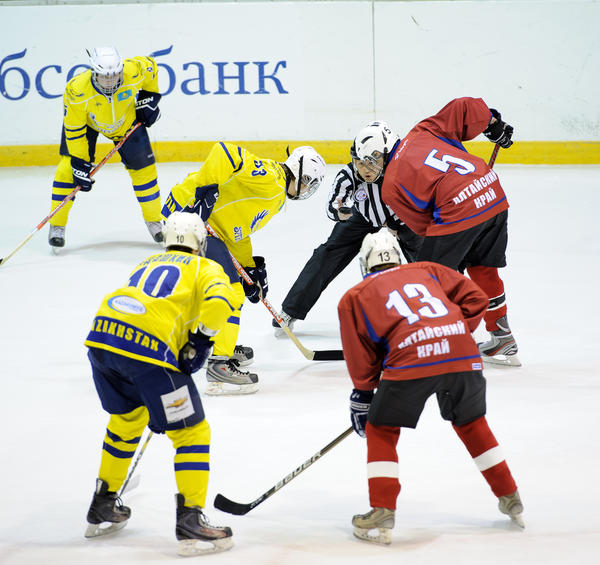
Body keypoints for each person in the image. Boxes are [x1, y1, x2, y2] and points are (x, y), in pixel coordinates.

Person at [337, 230, 523, 545]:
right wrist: (453, 331)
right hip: (462, 355)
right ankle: (510, 496)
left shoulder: (354, 297)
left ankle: (382, 509)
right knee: (472, 423)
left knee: (381, 429)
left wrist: (363, 394)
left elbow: (360, 355)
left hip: (409, 361)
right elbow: (477, 298)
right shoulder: (427, 269)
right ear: (399, 257)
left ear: (364, 264)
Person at [83, 211, 235, 556]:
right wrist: (200, 341)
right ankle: (190, 520)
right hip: (149, 353)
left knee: (126, 420)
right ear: (200, 242)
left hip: (102, 341)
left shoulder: (147, 262)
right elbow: (220, 302)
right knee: (191, 433)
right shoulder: (205, 267)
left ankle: (103, 503)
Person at [361, 98, 520, 366]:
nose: (367, 168)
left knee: (426, 280)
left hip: (460, 209)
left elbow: (423, 227)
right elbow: (464, 107)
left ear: (382, 153)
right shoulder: (423, 130)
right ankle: (502, 337)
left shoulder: (390, 186)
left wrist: (450, 252)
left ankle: (436, 343)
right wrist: (492, 122)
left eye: (371, 160)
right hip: (492, 193)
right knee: (483, 269)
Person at [161, 142, 326, 393]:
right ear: (300, 174)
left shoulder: (276, 195)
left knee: (221, 288)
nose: (306, 190)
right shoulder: (271, 179)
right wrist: (204, 190)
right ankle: (220, 363)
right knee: (230, 292)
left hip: (205, 225)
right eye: (308, 183)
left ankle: (217, 343)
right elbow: (224, 152)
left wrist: (248, 268)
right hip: (187, 217)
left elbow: (236, 231)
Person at [272, 122, 424, 337]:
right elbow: (333, 203)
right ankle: (290, 310)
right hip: (362, 217)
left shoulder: (402, 169)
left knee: (427, 259)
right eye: (360, 163)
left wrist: (395, 225)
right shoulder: (348, 174)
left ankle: (443, 305)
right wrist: (339, 211)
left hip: (402, 220)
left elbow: (420, 203)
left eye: (371, 162)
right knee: (327, 253)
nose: (366, 169)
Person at [47, 46, 165, 250]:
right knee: (67, 170)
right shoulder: (76, 90)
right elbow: (74, 131)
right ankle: (57, 225)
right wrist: (79, 162)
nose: (110, 81)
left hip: (125, 122)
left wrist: (150, 97)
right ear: (93, 73)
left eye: (115, 75)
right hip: (88, 125)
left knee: (145, 170)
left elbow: (151, 67)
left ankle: (155, 221)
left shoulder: (134, 70)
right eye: (104, 77)